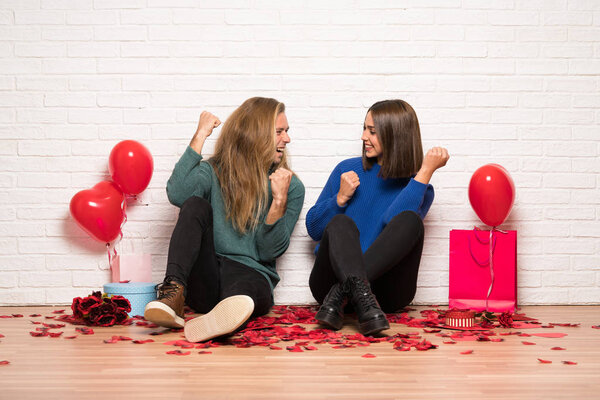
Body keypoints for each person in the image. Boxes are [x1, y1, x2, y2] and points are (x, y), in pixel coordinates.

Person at [144, 97, 305, 343]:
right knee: (195, 204)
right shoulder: (213, 171)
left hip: (251, 275)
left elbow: (267, 251)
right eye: (279, 132)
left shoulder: (290, 186)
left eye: (286, 132)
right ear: (256, 135)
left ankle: (225, 317)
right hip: (208, 275)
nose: (287, 139)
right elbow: (178, 194)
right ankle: (173, 293)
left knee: (244, 294)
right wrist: (200, 135)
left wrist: (278, 202)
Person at [306, 99, 449, 336]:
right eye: (364, 128)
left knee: (411, 221)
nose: (364, 137)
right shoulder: (347, 170)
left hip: (383, 294)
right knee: (341, 222)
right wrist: (339, 200)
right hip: (328, 283)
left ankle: (345, 291)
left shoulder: (419, 186)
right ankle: (350, 290)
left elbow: (392, 220)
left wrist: (424, 172)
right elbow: (314, 229)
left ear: (395, 135)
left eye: (372, 131)